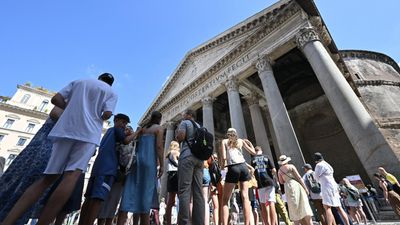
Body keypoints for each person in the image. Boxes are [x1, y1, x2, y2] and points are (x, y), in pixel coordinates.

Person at [2, 73, 118, 225]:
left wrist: (73, 109)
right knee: (70, 177)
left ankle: (7, 221)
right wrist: (95, 114)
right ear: (111, 83)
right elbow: (107, 115)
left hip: (64, 130)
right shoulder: (111, 93)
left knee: (47, 178)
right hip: (87, 135)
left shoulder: (79, 81)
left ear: (99, 77)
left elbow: (55, 99)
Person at [0, 107, 62, 225]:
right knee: (25, 181)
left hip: (49, 144)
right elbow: (55, 112)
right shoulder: (74, 94)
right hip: (46, 142)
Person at [78, 114, 137, 225]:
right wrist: (137, 133)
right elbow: (125, 141)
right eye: (123, 122)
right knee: (98, 199)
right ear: (116, 121)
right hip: (108, 169)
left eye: (126, 123)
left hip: (97, 168)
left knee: (89, 199)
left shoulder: (108, 132)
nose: (124, 126)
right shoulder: (117, 129)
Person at [118, 111, 164, 225]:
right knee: (145, 196)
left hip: (137, 162)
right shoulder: (158, 128)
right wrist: (162, 165)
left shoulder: (142, 129)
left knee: (130, 192)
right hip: (149, 163)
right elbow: (159, 147)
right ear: (159, 119)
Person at [220, 128, 256, 225]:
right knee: (245, 197)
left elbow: (223, 157)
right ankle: (247, 223)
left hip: (233, 168)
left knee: (225, 200)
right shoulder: (241, 141)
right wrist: (249, 143)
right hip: (243, 167)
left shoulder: (224, 141)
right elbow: (253, 152)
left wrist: (222, 168)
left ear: (227, 134)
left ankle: (224, 223)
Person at [175, 109, 205, 225]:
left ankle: (184, 222)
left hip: (187, 156)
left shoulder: (185, 123)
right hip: (199, 159)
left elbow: (181, 137)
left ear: (189, 115)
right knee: (198, 192)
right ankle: (199, 222)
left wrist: (177, 134)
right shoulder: (200, 126)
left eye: (183, 115)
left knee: (184, 190)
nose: (182, 116)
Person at [314, 152, 350, 225]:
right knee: (339, 207)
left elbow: (316, 178)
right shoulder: (327, 164)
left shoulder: (318, 165)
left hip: (326, 186)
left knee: (327, 207)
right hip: (333, 185)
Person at [277, 155, 313, 225]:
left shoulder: (280, 170)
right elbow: (299, 177)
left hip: (287, 187)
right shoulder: (291, 166)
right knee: (303, 204)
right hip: (296, 185)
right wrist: (305, 188)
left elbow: (281, 182)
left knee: (293, 207)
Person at [251, 146, 277, 225]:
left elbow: (252, 172)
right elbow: (274, 170)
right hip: (269, 181)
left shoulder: (252, 160)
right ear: (261, 150)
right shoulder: (266, 157)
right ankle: (273, 223)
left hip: (260, 183)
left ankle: (266, 223)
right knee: (271, 202)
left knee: (263, 204)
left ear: (255, 151)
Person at [165, 141, 180, 225]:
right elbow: (180, 162)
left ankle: (168, 222)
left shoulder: (169, 153)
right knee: (181, 199)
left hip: (170, 175)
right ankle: (179, 221)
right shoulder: (176, 152)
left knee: (170, 200)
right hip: (176, 175)